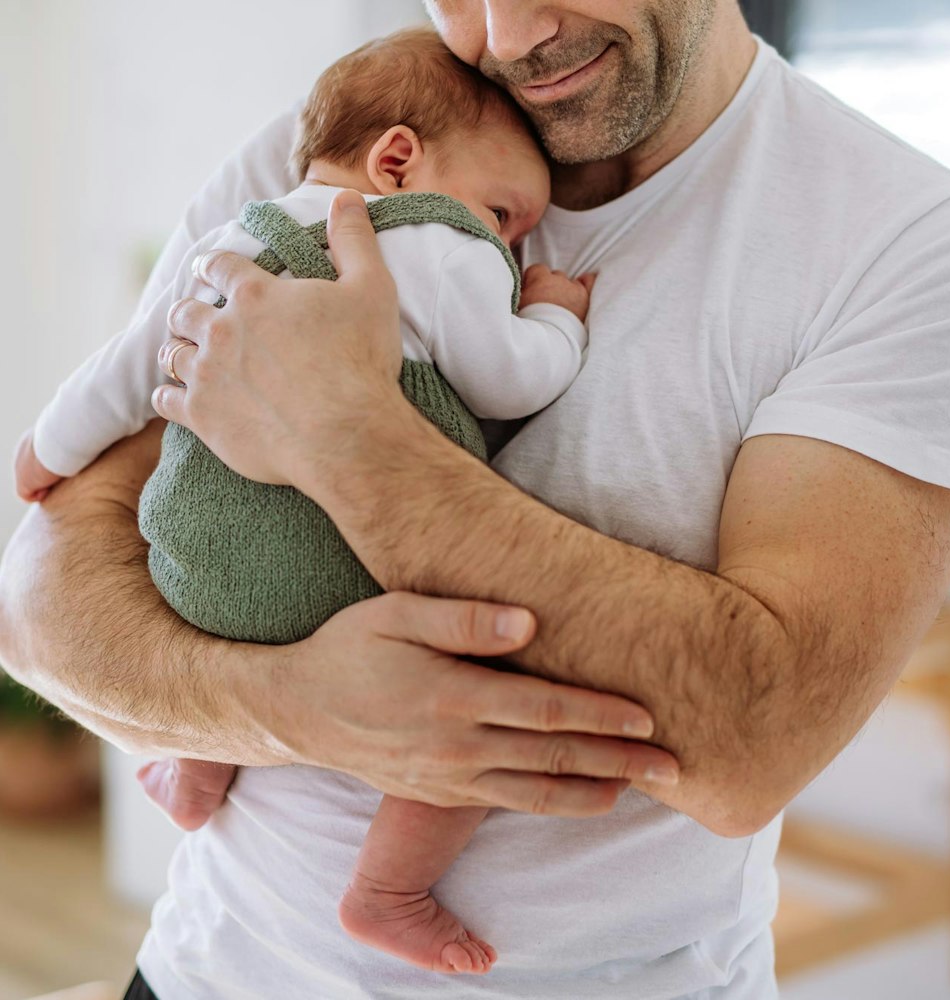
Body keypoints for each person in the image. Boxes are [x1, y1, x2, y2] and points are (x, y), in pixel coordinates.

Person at [2, 1, 950, 997]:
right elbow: (36, 604)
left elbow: (754, 739)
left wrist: (345, 435)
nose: (508, 32)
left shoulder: (912, 246)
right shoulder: (362, 132)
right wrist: (288, 709)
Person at [15, 28, 600, 976]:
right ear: (399, 161)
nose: (511, 238)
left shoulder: (239, 233)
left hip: (192, 562)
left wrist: (48, 448)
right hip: (344, 574)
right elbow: (507, 380)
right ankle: (390, 892)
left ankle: (193, 764)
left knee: (240, 638)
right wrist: (555, 318)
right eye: (505, 212)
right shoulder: (436, 242)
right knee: (478, 715)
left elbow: (130, 370)